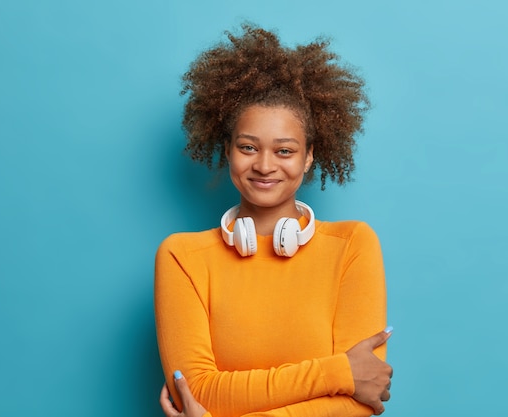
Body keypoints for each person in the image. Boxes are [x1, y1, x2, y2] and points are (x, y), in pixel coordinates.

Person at [154, 24, 393, 417]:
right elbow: (197, 393)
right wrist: (338, 371)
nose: (264, 165)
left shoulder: (352, 245)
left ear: (309, 156)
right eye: (248, 147)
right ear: (228, 149)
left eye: (284, 150)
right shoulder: (183, 256)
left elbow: (358, 401)